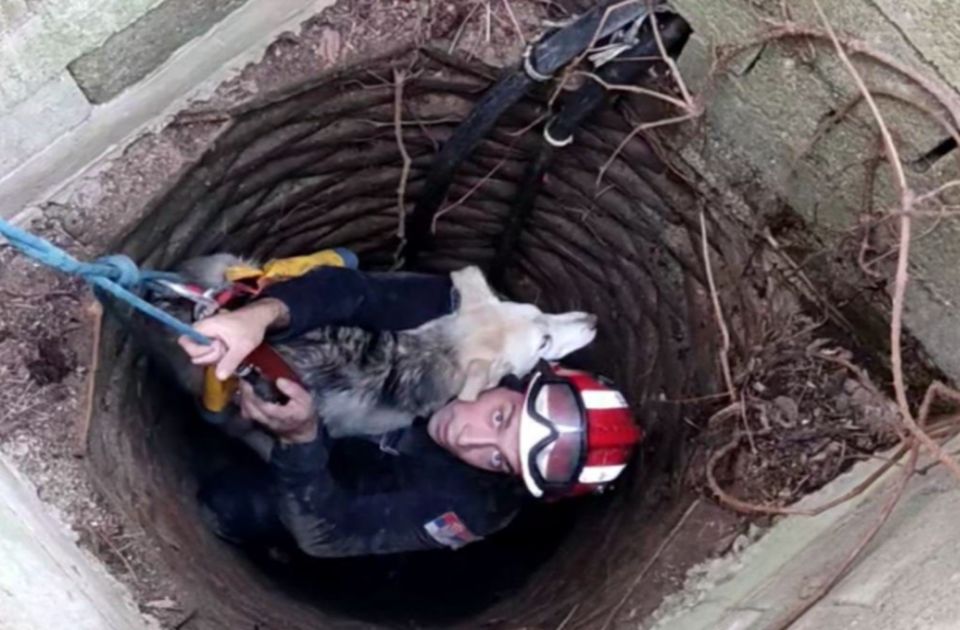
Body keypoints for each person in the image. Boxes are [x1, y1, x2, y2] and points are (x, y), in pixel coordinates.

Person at [178, 266, 641, 557]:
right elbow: (353, 293)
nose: (468, 439)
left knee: (229, 506)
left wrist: (299, 444)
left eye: (499, 459)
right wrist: (256, 317)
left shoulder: (474, 507)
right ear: (520, 382)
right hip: (300, 365)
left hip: (333, 475)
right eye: (500, 419)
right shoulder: (476, 326)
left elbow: (331, 537)